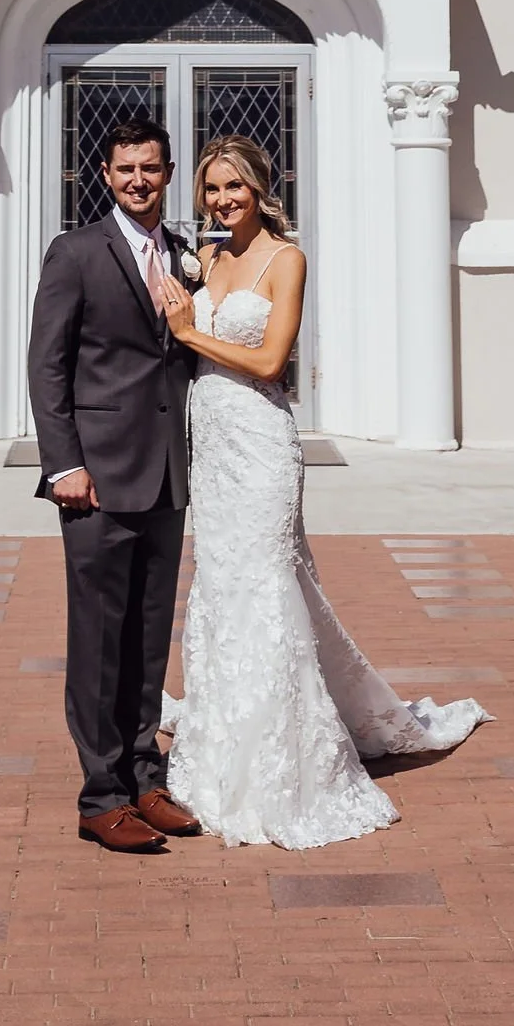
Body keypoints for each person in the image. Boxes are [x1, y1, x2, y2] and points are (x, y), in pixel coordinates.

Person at [157, 135, 489, 847]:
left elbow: (271, 359)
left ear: (260, 188)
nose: (222, 200)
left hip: (263, 444)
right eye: (212, 189)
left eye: (234, 187)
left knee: (268, 583)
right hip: (212, 447)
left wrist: (188, 332)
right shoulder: (207, 257)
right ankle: (222, 737)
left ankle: (286, 759)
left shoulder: (287, 259)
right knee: (221, 585)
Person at [25, 112, 205, 854]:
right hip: (95, 479)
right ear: (106, 175)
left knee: (148, 640)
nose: (139, 180)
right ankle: (100, 797)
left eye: (151, 168)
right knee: (99, 643)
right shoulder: (75, 253)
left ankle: (144, 778)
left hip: (165, 475)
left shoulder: (184, 254)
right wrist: (63, 464)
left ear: (167, 175)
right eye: (126, 168)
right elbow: (48, 366)